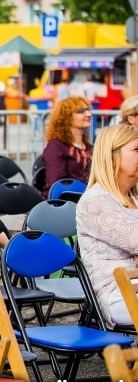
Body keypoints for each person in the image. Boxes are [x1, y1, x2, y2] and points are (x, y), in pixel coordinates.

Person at [77, 124, 138, 327]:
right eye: (136, 149)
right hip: (116, 291)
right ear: (112, 157)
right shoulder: (96, 200)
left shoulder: (133, 198)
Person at [41, 96, 93, 198]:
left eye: (88, 110)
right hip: (65, 201)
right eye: (81, 111)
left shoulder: (90, 148)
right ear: (66, 118)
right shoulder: (56, 147)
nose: (88, 114)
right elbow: (57, 185)